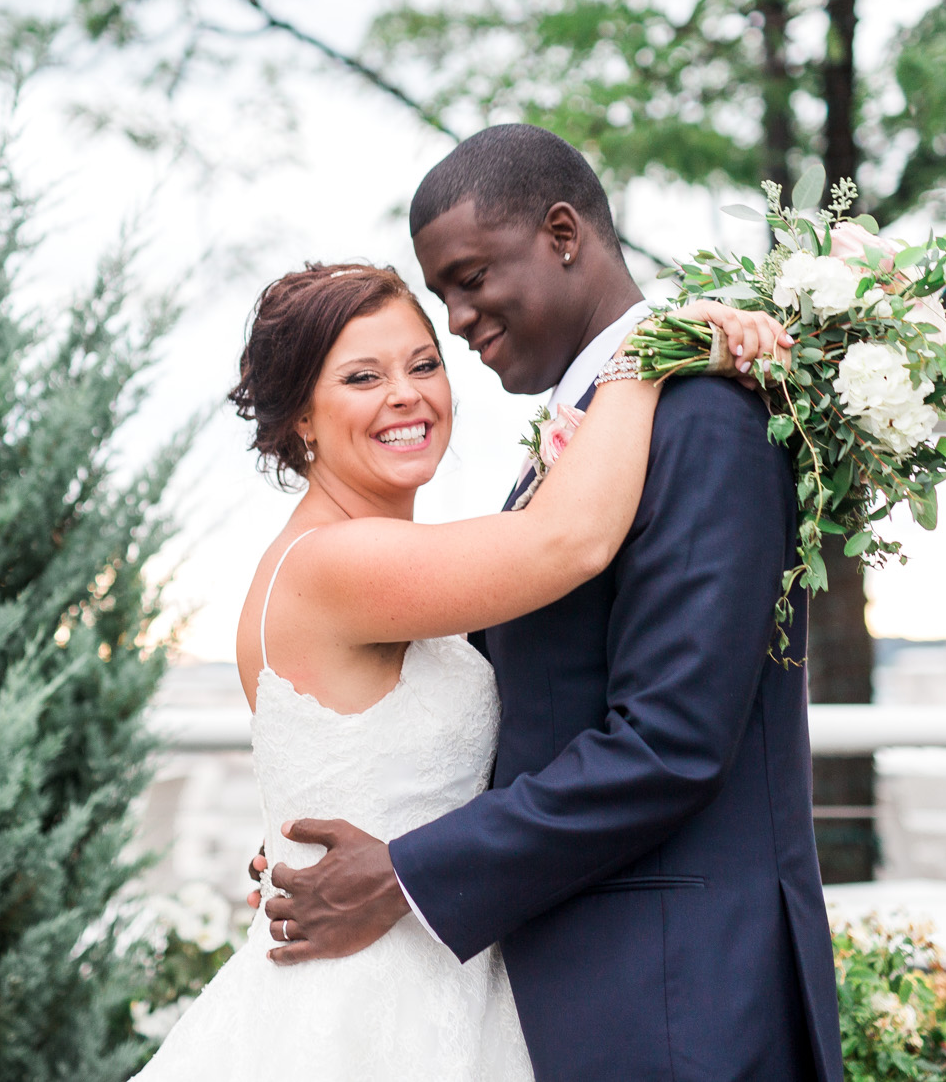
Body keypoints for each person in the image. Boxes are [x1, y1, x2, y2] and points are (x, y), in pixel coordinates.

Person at [256, 125, 847, 1082]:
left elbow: (669, 740)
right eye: (363, 373)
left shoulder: (706, 418)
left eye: (468, 278)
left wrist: (405, 870)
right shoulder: (602, 436)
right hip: (555, 993)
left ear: (563, 233)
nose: (456, 319)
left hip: (675, 998)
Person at [132, 256, 784, 1082]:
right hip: (367, 1006)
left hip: (439, 971)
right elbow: (567, 541)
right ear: (302, 414)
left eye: (424, 363)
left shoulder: (386, 564)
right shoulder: (335, 562)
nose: (406, 394)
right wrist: (650, 349)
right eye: (362, 376)